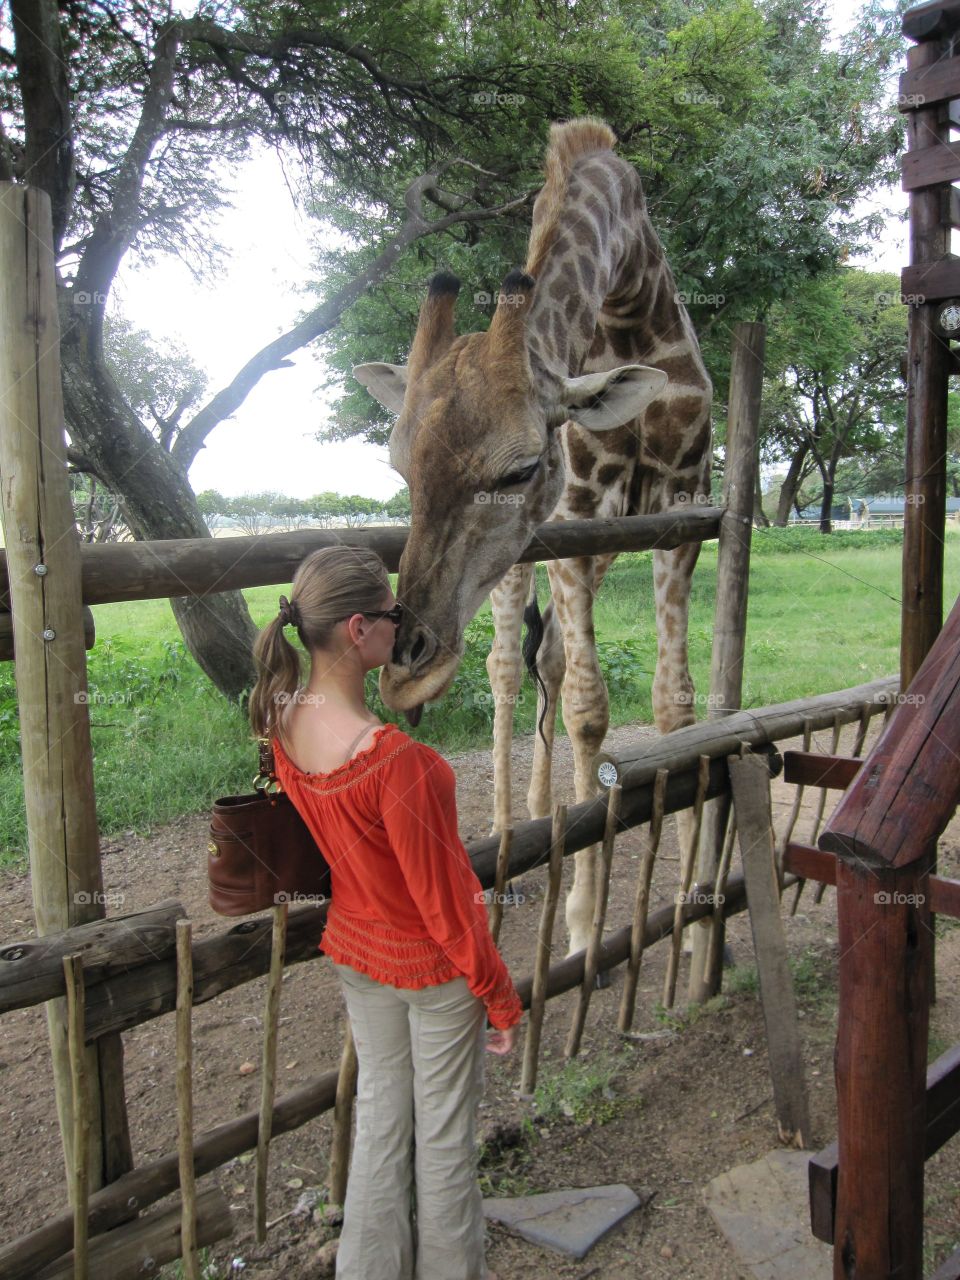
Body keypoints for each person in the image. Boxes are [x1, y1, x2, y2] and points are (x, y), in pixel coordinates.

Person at [248, 545, 523, 1280]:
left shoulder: (281, 719)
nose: (401, 625)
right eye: (393, 613)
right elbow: (447, 904)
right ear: (359, 628)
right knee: (444, 1143)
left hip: (356, 956)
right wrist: (498, 995)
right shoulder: (400, 764)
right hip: (432, 974)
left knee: (379, 1123)